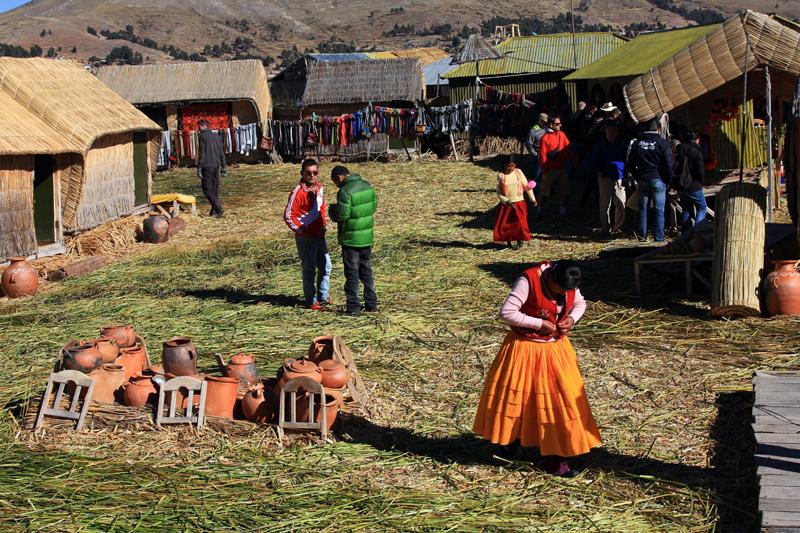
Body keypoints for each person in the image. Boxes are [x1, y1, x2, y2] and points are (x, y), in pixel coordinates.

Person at [473, 260, 602, 476]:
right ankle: (512, 441)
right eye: (559, 291)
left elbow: (580, 303)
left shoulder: (569, 279)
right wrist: (539, 324)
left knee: (560, 401)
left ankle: (555, 454)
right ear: (551, 277)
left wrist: (571, 318)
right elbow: (506, 312)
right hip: (525, 349)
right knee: (521, 399)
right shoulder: (528, 280)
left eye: (566, 292)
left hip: (556, 351)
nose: (562, 296)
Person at [329, 166, 378, 316]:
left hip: (351, 239)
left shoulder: (345, 191)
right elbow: (373, 206)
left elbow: (342, 215)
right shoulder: (367, 186)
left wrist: (332, 211)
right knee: (366, 271)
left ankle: (353, 307)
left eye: (335, 182)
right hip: (366, 238)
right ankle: (371, 304)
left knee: (352, 273)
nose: (337, 185)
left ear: (339, 177)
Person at [284, 159, 331, 310]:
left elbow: (321, 207)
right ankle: (311, 300)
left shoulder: (319, 188)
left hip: (319, 234)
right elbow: (288, 215)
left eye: (315, 172)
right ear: (302, 173)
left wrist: (324, 223)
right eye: (308, 173)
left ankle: (323, 297)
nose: (312, 175)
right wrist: (302, 232)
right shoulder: (297, 192)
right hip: (306, 238)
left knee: (326, 266)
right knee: (309, 269)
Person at [627, 118, 674, 242]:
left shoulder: (638, 143)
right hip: (658, 179)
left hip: (643, 179)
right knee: (659, 210)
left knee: (643, 209)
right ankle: (658, 237)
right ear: (658, 129)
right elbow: (669, 163)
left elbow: (630, 164)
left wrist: (638, 176)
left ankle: (642, 236)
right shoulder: (662, 143)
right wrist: (668, 179)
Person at [591, 121, 627, 236]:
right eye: (608, 131)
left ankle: (617, 228)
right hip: (604, 176)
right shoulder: (600, 144)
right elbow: (594, 160)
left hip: (619, 177)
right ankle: (605, 227)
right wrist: (599, 171)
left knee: (621, 203)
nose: (610, 134)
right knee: (604, 204)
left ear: (616, 132)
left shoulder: (622, 144)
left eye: (612, 132)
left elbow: (626, 159)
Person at [494, 156, 536, 248]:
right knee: (507, 224)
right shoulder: (501, 176)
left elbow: (527, 186)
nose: (511, 168)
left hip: (519, 203)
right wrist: (507, 201)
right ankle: (508, 241)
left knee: (520, 223)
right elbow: (499, 192)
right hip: (507, 205)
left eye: (513, 166)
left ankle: (520, 240)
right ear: (504, 166)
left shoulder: (518, 172)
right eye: (508, 166)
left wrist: (532, 199)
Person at [674, 131, 708, 233]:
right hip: (694, 185)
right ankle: (697, 232)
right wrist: (702, 182)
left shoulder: (678, 150)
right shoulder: (697, 152)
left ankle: (686, 234)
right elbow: (700, 171)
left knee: (686, 209)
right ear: (697, 140)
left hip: (681, 185)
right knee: (702, 207)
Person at [539, 116, 572, 216]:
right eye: (557, 124)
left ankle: (563, 211)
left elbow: (568, 149)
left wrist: (575, 161)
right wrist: (545, 171)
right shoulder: (545, 138)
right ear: (551, 125)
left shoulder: (562, 135)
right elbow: (542, 155)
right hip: (550, 170)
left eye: (560, 123)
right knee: (545, 192)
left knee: (564, 191)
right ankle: (540, 209)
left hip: (561, 168)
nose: (560, 125)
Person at [197, 119, 227, 217]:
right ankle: (213, 212)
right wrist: (223, 166)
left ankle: (218, 208)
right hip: (216, 165)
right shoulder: (217, 136)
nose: (198, 129)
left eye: (199, 127)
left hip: (207, 165)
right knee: (214, 189)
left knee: (207, 189)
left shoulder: (202, 136)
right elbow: (221, 153)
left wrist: (199, 167)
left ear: (204, 126)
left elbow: (203, 153)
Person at [524, 113, 549, 183]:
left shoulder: (547, 129)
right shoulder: (533, 131)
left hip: (547, 153)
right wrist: (535, 154)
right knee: (536, 173)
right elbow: (528, 144)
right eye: (544, 122)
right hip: (538, 154)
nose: (546, 123)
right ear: (540, 121)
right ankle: (530, 186)